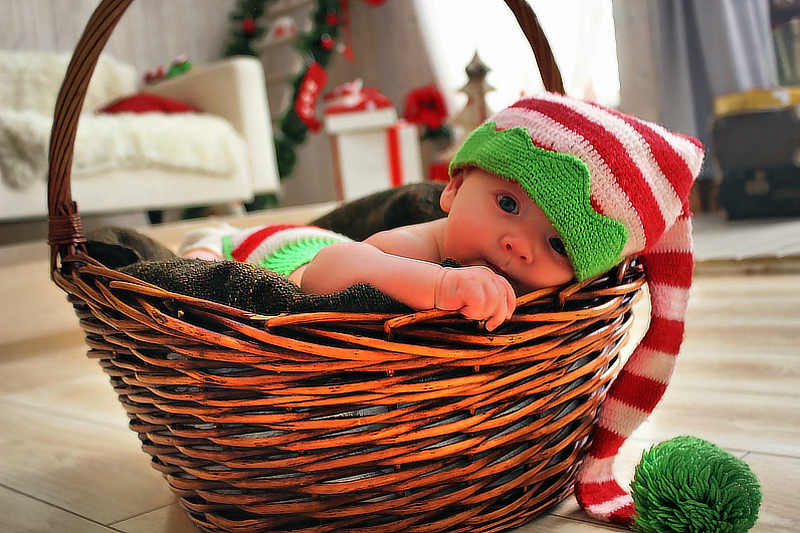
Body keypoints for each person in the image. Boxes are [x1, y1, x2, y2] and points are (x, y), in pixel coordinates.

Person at [182, 92, 706, 527]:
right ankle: (207, 238)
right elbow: (327, 272)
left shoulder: (530, 288)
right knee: (197, 266)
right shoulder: (416, 245)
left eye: (556, 245)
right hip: (274, 249)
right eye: (508, 204)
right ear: (453, 188)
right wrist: (438, 283)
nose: (519, 245)